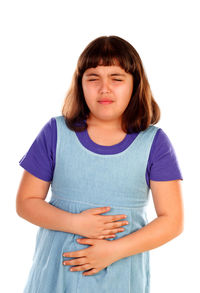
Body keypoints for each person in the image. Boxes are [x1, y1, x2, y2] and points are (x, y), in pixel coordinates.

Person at [16, 35, 184, 293]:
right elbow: (26, 203)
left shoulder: (154, 143)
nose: (104, 88)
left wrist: (113, 251)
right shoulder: (55, 132)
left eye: (116, 79)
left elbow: (172, 221)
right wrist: (76, 223)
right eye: (93, 78)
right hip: (53, 279)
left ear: (134, 85)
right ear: (80, 84)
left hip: (121, 280)